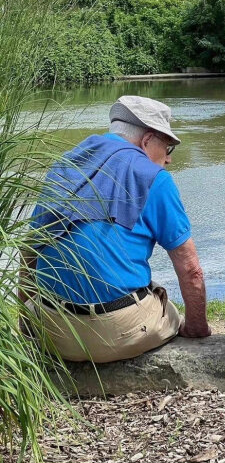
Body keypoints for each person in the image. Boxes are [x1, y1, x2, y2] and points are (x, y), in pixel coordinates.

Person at [20, 95, 210, 362]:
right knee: (169, 309)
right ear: (146, 140)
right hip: (120, 333)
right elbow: (191, 269)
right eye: (167, 148)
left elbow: (29, 250)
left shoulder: (63, 167)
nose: (168, 160)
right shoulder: (155, 179)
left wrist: (26, 326)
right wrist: (197, 328)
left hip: (54, 334)